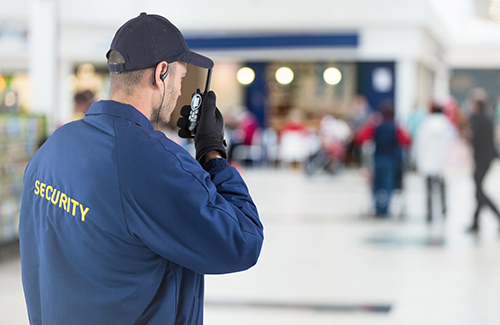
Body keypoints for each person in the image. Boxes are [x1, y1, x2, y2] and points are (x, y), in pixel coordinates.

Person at [19, 13, 264, 325]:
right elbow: (243, 242)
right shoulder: (154, 161)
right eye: (179, 78)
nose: (178, 93)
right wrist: (212, 152)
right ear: (160, 74)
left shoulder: (54, 147)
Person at [355, 100, 410, 217]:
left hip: (378, 159)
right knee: (388, 184)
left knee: (377, 185)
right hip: (392, 160)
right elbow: (406, 141)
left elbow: (360, 138)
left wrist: (370, 122)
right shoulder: (396, 127)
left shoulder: (376, 126)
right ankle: (385, 209)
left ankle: (378, 208)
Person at [414, 102, 458, 223]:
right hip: (442, 163)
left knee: (428, 189)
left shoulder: (424, 125)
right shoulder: (448, 126)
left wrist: (419, 160)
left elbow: (419, 145)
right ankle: (443, 211)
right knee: (442, 188)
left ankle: (429, 213)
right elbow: (453, 144)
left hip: (427, 162)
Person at [467, 98, 500, 233]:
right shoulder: (485, 119)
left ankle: (497, 216)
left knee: (479, 192)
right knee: (478, 191)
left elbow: (477, 141)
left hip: (482, 160)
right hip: (484, 159)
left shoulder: (479, 121)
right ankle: (475, 223)